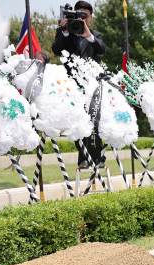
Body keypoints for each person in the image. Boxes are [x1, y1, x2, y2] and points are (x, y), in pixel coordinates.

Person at [51, 1, 107, 169]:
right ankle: (85, 157)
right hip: (71, 85)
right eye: (78, 15)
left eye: (85, 16)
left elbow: (102, 50)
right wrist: (65, 32)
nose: (81, 19)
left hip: (91, 85)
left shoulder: (95, 34)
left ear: (90, 18)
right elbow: (56, 50)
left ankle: (96, 158)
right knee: (78, 120)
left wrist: (88, 35)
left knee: (94, 119)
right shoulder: (66, 33)